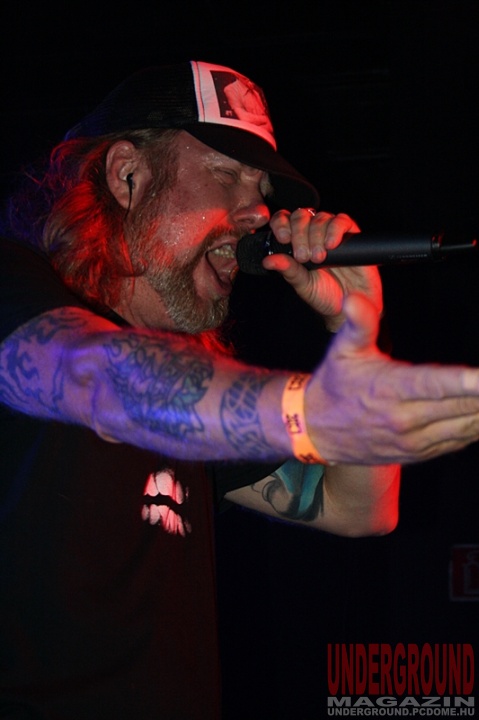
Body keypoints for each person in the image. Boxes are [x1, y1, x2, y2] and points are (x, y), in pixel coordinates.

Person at [0, 60, 478, 720]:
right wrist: (307, 411)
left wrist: (356, 325)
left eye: (261, 189)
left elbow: (362, 509)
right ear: (127, 176)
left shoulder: (198, 393)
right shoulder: (14, 285)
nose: (258, 213)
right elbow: (91, 372)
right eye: (226, 174)